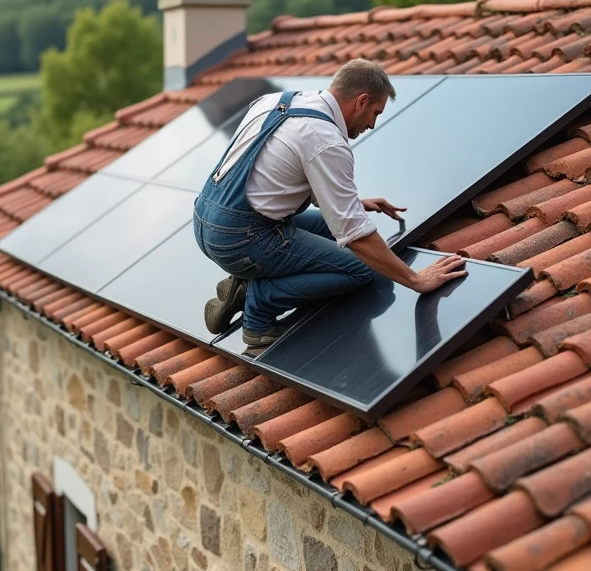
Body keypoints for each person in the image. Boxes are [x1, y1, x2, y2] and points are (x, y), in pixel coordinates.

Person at [193, 58, 467, 353]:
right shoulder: (326, 140)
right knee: (361, 268)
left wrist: (354, 203)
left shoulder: (276, 101)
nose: (372, 124)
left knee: (327, 227)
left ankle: (246, 282)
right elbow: (355, 235)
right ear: (361, 101)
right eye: (375, 112)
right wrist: (414, 279)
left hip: (206, 220)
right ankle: (258, 307)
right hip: (240, 240)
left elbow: (272, 171)